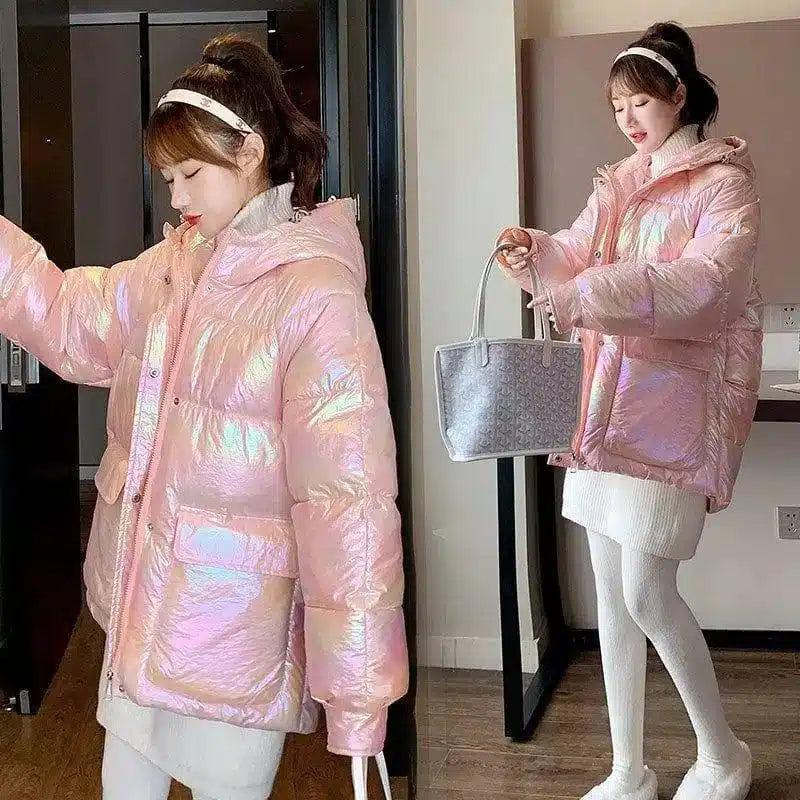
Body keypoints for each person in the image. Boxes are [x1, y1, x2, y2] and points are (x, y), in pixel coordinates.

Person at [0, 33, 407, 800]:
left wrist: (359, 698)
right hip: (141, 617)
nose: (177, 198)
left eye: (190, 174)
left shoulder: (314, 294)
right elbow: (69, 319)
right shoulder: (175, 265)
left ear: (250, 151)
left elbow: (347, 509)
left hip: (232, 640)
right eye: (168, 179)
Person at [497, 21, 761, 800]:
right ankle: (627, 769)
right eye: (617, 107)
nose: (628, 119)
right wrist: (534, 253)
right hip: (600, 408)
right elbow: (575, 254)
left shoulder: (724, 186)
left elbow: (705, 287)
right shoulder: (615, 183)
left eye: (639, 102)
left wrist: (588, 292)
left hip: (669, 414)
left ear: (678, 94)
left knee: (647, 593)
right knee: (612, 598)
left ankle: (723, 755)